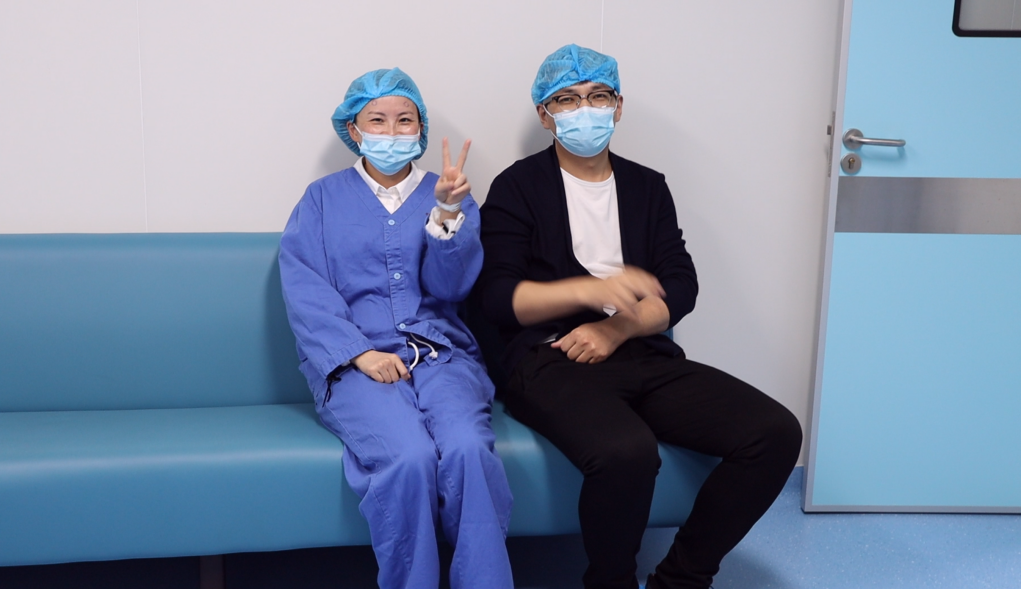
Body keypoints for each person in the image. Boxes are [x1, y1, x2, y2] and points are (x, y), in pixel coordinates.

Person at [476, 45, 802, 589]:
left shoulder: (647, 187)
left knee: (774, 433)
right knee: (625, 452)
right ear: (545, 115)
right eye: (567, 100)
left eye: (598, 96)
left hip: (641, 351)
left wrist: (618, 326)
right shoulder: (518, 186)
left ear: (618, 105)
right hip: (548, 358)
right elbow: (499, 298)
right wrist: (593, 290)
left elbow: (681, 284)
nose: (585, 109)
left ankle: (681, 579)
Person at [279, 68, 513, 589]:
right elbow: (305, 288)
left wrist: (447, 213)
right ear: (353, 129)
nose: (391, 131)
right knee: (408, 458)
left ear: (421, 129)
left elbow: (452, 288)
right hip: (355, 365)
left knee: (468, 449)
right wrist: (359, 353)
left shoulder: (447, 194)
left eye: (404, 120)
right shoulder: (320, 199)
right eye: (377, 120)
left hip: (442, 357)